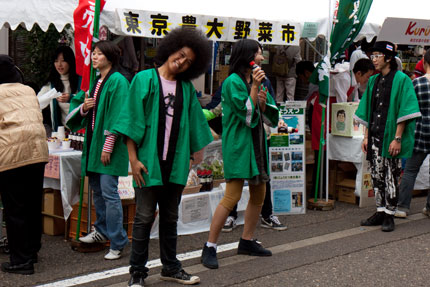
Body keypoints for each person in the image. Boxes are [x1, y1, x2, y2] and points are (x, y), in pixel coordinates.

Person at [113, 27, 212, 286]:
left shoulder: (187, 89)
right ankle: (137, 273)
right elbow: (131, 122)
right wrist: (133, 160)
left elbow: (195, 125)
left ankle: (171, 267)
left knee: (170, 218)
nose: (181, 62)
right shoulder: (144, 79)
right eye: (180, 55)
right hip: (147, 163)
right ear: (170, 49)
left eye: (188, 61)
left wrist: (194, 154)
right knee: (144, 218)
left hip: (175, 165)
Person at [201, 39, 279, 270]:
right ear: (248, 56)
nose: (262, 57)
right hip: (238, 145)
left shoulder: (259, 80)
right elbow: (246, 114)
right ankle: (210, 246)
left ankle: (247, 240)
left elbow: (269, 113)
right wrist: (255, 90)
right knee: (232, 196)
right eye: (259, 53)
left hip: (257, 145)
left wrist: (264, 104)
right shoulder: (232, 82)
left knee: (259, 194)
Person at [66, 41, 130, 259]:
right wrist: (84, 107)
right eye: (93, 53)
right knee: (98, 191)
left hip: (106, 147)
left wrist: (108, 145)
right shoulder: (95, 81)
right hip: (93, 145)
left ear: (110, 57)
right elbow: (80, 110)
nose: (94, 57)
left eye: (99, 54)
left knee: (109, 192)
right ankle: (102, 231)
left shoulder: (118, 81)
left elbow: (120, 116)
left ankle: (118, 240)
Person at [354, 41, 421, 232]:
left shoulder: (402, 80)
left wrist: (397, 138)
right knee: (376, 175)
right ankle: (380, 210)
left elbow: (405, 110)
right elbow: (368, 109)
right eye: (372, 56)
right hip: (375, 136)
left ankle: (390, 214)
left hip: (391, 137)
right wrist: (366, 136)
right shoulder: (374, 80)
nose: (373, 60)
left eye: (377, 56)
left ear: (389, 58)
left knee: (391, 175)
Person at [0, 55, 49, 275]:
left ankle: (21, 261)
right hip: (38, 153)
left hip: (12, 155)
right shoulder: (28, 90)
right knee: (31, 204)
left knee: (15, 209)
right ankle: (31, 251)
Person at [395, 49, 430, 218]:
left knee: (410, 170)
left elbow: (407, 109)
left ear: (424, 63)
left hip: (420, 132)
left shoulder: (417, 84)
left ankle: (402, 207)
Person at [37, 46, 80, 135]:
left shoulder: (81, 81)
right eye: (56, 61)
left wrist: (71, 98)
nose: (59, 65)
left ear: (70, 61)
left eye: (63, 60)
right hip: (62, 133)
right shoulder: (51, 85)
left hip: (81, 132)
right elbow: (36, 102)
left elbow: (87, 100)